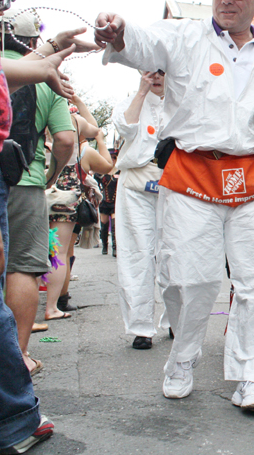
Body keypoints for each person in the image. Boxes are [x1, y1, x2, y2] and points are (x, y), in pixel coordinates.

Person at [95, 0, 254, 415]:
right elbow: (145, 41)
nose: (227, 0)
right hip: (193, 175)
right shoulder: (187, 38)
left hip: (252, 176)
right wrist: (119, 33)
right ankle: (182, 358)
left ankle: (253, 377)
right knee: (187, 278)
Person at [0, 0, 55, 455]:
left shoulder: (5, 53)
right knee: (0, 271)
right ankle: (15, 416)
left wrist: (50, 57)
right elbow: (75, 138)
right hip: (12, 176)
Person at [0, 11, 79, 374]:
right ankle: (18, 356)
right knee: (22, 270)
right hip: (24, 180)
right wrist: (51, 174)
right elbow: (64, 139)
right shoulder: (46, 78)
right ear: (34, 41)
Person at [111, 70, 168, 350]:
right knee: (137, 254)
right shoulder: (129, 102)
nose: (156, 76)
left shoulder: (181, 101)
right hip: (135, 184)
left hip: (173, 185)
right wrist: (142, 92)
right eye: (150, 71)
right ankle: (141, 326)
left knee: (174, 252)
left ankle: (175, 320)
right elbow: (126, 128)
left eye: (161, 71)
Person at [47, 103, 114, 319]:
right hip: (64, 194)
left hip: (37, 184)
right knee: (60, 252)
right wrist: (101, 139)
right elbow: (95, 131)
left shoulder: (37, 110)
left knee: (29, 250)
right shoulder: (74, 121)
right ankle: (53, 305)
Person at [95, 150, 118, 256]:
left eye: (114, 157)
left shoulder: (120, 172)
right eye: (110, 157)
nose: (112, 160)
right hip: (104, 202)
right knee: (104, 224)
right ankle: (105, 246)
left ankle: (115, 248)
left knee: (114, 225)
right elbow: (95, 185)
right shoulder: (100, 173)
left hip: (115, 202)